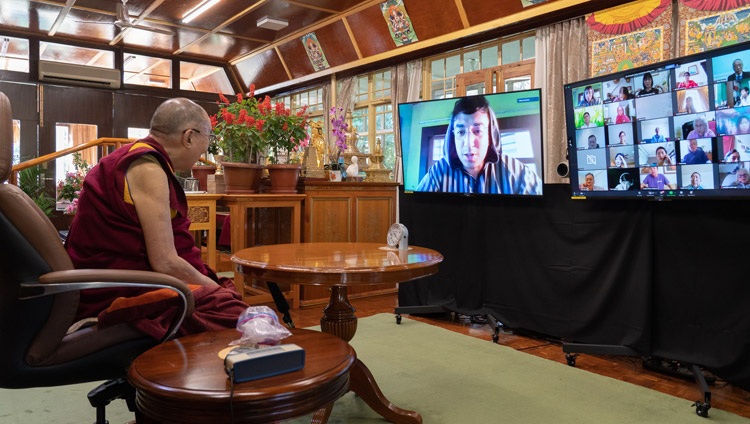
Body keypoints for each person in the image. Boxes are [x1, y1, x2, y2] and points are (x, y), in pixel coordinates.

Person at [65, 98, 249, 340]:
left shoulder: (137, 157)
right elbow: (166, 263)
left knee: (224, 295)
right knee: (238, 316)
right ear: (189, 137)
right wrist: (213, 290)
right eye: (206, 142)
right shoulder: (148, 169)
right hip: (118, 290)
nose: (202, 153)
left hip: (123, 278)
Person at [416, 95, 541, 194]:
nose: (469, 144)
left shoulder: (518, 173)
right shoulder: (439, 171)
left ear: (490, 135)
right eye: (460, 132)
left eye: (478, 131)